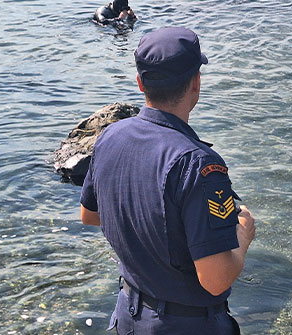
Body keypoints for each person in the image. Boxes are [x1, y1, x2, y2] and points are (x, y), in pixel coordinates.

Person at [79, 27, 256, 335]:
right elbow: (215, 279)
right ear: (196, 84)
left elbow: (90, 216)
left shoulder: (110, 137)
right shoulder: (199, 165)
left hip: (128, 315)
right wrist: (243, 236)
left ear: (139, 83)